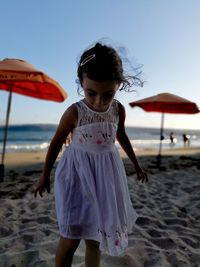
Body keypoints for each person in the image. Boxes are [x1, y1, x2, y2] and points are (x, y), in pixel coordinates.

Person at [34, 42, 148, 267]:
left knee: (95, 238)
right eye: (91, 93)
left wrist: (136, 164)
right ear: (81, 83)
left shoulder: (118, 110)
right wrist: (44, 175)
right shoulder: (74, 113)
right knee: (70, 236)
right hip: (75, 177)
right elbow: (56, 143)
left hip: (105, 178)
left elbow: (121, 136)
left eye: (108, 94)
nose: (98, 101)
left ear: (118, 86)